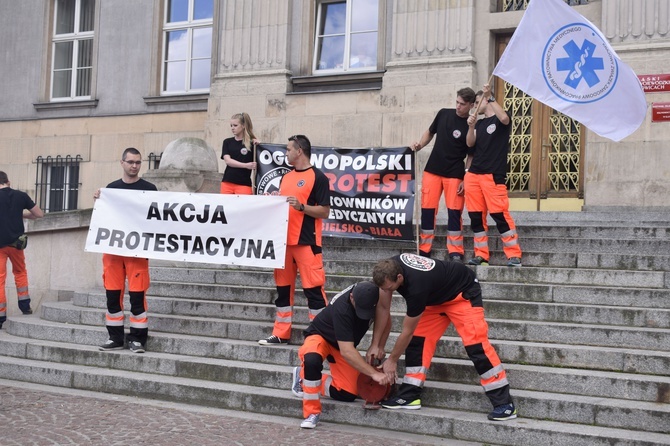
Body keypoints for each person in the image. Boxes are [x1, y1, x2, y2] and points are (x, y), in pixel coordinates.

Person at [369, 253, 517, 421]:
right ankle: (409, 395)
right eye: (383, 289)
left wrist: (392, 360)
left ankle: (504, 404)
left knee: (476, 345)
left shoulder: (417, 287)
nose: (387, 292)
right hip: (435, 298)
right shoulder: (388, 268)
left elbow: (406, 332)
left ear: (399, 277)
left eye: (389, 288)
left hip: (462, 293)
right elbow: (382, 307)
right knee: (418, 342)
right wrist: (376, 344)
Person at [258, 135, 331, 345]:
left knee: (314, 290)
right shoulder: (286, 177)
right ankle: (281, 333)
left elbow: (324, 211)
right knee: (283, 290)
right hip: (284, 243)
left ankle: (320, 335)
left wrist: (302, 207)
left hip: (307, 243)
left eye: (289, 149)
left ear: (299, 151)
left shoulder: (319, 177)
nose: (286, 153)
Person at [291, 281, 392, 429]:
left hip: (342, 344)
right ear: (351, 297)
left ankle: (303, 377)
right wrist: (373, 374)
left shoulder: (374, 295)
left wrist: (378, 345)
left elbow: (386, 320)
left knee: (347, 393)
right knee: (312, 360)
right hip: (321, 336)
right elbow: (347, 351)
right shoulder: (343, 309)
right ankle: (312, 413)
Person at [93, 148, 157, 353]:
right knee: (113, 296)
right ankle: (115, 338)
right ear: (122, 163)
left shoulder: (149, 189)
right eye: (130, 162)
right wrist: (99, 200)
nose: (134, 166)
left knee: (137, 297)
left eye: (138, 162)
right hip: (112, 252)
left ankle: (138, 339)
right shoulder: (111, 189)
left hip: (137, 252)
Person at [411, 87, 476, 262]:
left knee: (454, 212)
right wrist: (420, 145)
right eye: (457, 102)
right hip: (432, 170)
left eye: (462, 104)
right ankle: (424, 249)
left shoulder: (471, 126)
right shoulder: (443, 114)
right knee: (427, 210)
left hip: (455, 173)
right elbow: (430, 132)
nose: (458, 106)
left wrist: (466, 176)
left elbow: (471, 154)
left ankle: (455, 251)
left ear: (471, 105)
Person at [465, 83, 522, 267]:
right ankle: (481, 255)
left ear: (485, 100)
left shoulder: (499, 120)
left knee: (499, 215)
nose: (474, 106)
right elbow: (470, 145)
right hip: (474, 175)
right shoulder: (480, 123)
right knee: (475, 217)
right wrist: (471, 127)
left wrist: (490, 97)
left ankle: (513, 254)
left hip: (492, 175)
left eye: (476, 102)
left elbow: (505, 118)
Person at [0, 171, 44, 329]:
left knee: (0, 280)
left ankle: (1, 317)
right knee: (20, 273)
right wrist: (22, 215)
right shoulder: (21, 196)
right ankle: (25, 306)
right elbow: (39, 214)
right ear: (8, 182)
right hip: (17, 245)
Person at [220, 112, 258, 195]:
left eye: (235, 125)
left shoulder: (252, 143)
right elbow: (228, 161)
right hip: (227, 182)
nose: (232, 128)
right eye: (231, 126)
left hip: (244, 184)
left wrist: (259, 145)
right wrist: (246, 165)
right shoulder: (227, 142)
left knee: (244, 207)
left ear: (243, 125)